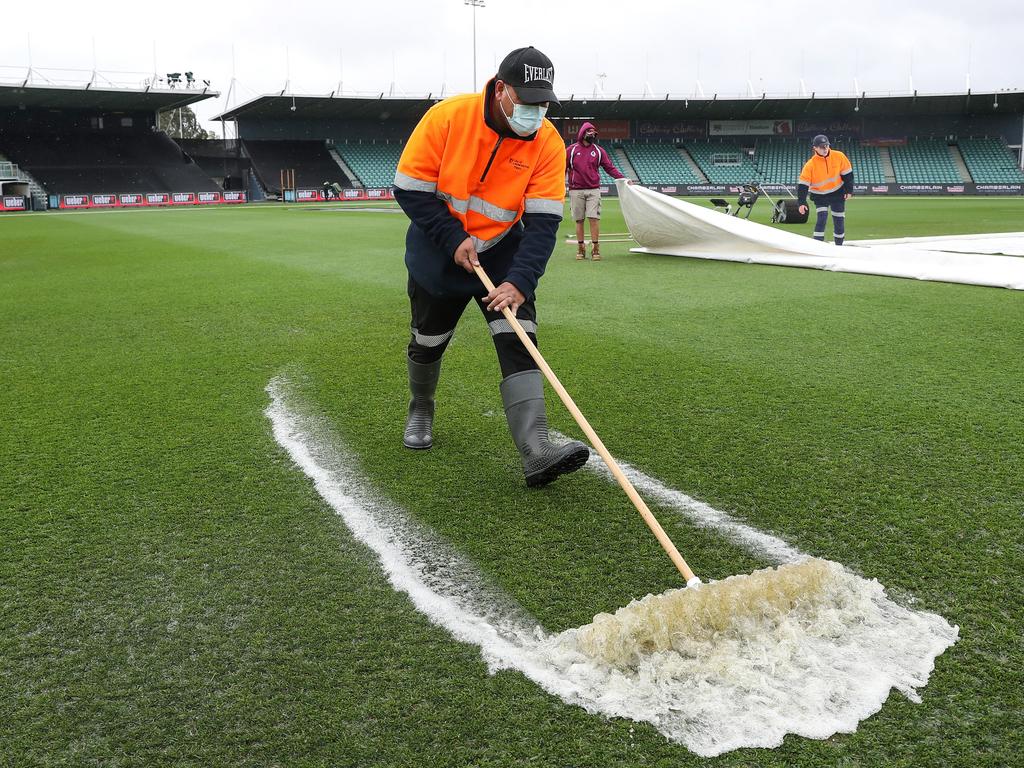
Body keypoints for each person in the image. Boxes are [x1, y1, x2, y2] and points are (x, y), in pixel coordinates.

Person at [392, 46, 590, 488]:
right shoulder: (448, 117)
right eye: (526, 101)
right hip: (437, 249)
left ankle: (536, 449)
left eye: (543, 103)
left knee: (519, 335)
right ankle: (421, 406)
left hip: (502, 250)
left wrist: (520, 281)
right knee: (428, 341)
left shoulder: (549, 143)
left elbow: (543, 222)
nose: (535, 112)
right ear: (501, 90)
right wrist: (452, 239)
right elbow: (409, 188)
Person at [565, 122, 628, 260]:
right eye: (590, 132)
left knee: (594, 219)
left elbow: (610, 168)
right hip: (576, 190)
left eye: (594, 133)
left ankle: (595, 249)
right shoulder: (571, 150)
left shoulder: (599, 151)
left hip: (594, 189)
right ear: (582, 133)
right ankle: (581, 248)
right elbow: (562, 169)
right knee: (579, 220)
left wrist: (623, 178)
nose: (593, 135)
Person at [797, 135, 853, 245]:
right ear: (815, 148)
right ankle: (818, 246)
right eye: (822, 147)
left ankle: (839, 246)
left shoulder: (839, 156)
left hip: (837, 192)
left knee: (839, 220)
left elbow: (848, 174)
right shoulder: (810, 165)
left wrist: (849, 191)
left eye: (826, 145)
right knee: (821, 219)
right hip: (819, 195)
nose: (825, 148)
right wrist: (801, 202)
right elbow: (803, 185)